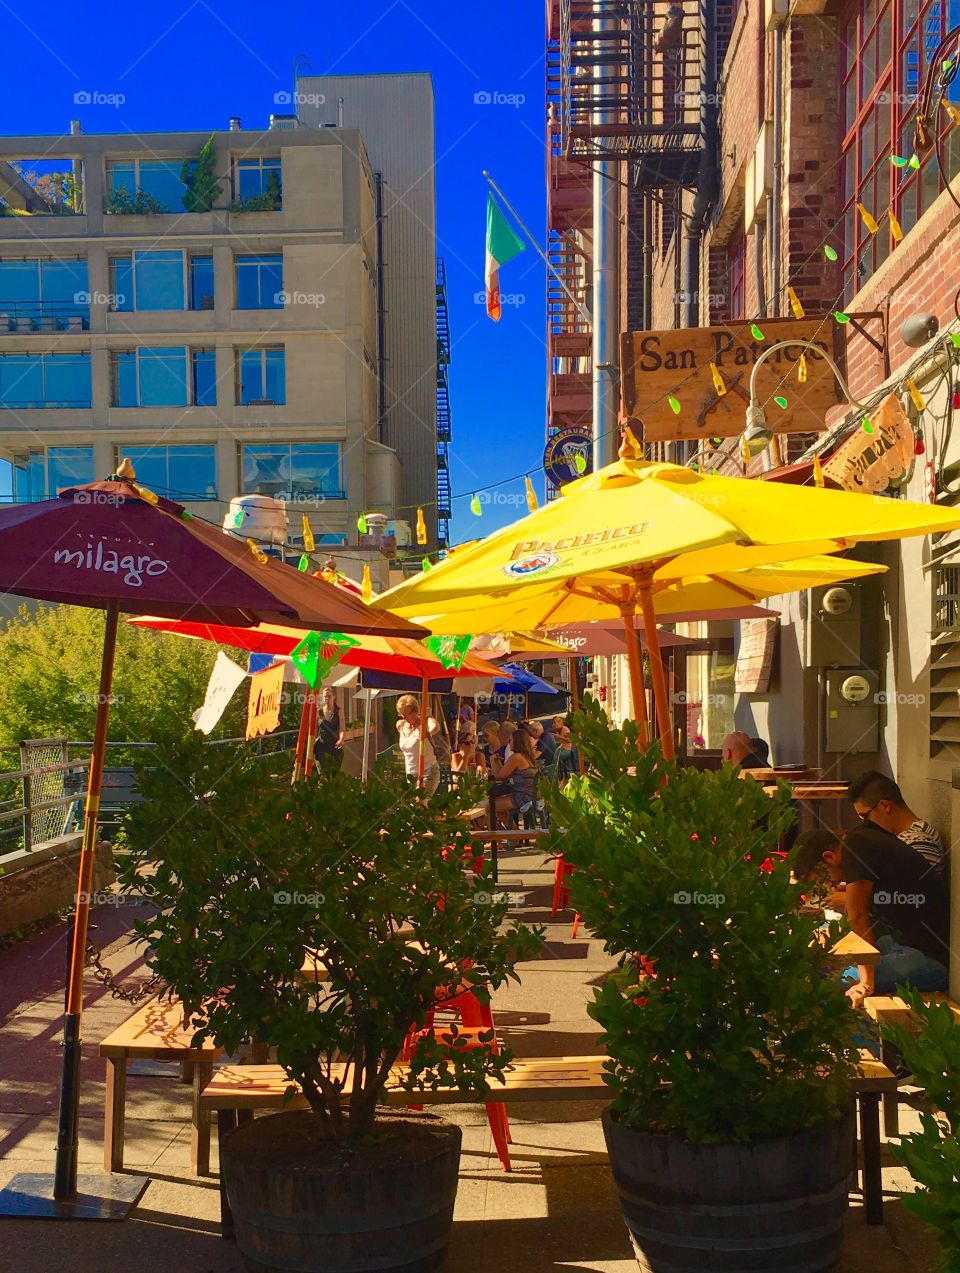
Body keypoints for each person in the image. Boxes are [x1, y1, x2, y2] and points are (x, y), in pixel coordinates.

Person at [793, 826, 949, 1007]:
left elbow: (857, 917)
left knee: (828, 978)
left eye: (824, 878)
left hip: (932, 958)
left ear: (829, 857)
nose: (832, 883)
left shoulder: (855, 849)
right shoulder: (860, 840)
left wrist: (866, 984)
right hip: (900, 943)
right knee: (816, 965)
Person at [847, 770, 946, 870]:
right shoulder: (902, 839)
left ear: (885, 806)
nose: (865, 823)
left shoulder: (918, 842)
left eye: (865, 816)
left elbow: (905, 885)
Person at [490, 727, 539, 823]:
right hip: (531, 795)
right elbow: (504, 773)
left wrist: (492, 760)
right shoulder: (527, 756)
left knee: (490, 805)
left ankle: (508, 834)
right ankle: (514, 834)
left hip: (522, 797)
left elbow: (499, 776)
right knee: (495, 806)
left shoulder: (517, 757)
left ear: (516, 742)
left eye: (510, 740)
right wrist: (498, 763)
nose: (509, 743)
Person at [395, 693, 441, 796]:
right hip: (411, 775)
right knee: (414, 806)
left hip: (428, 772)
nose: (404, 717)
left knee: (422, 803)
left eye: (406, 714)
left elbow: (435, 728)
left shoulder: (424, 725)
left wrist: (428, 716)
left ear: (415, 711)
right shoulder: (401, 725)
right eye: (401, 714)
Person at [313, 687, 344, 771]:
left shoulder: (338, 711)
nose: (327, 698)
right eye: (325, 696)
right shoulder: (319, 712)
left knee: (333, 774)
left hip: (334, 746)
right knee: (322, 773)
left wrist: (341, 739)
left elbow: (342, 729)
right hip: (321, 747)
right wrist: (312, 742)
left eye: (329, 696)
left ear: (333, 697)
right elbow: (315, 730)